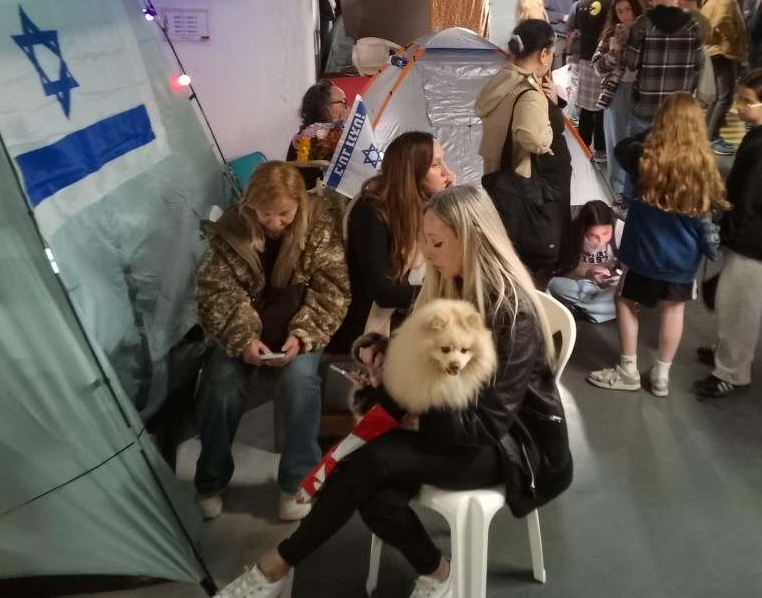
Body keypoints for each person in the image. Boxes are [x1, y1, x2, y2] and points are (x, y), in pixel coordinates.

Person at [214, 185, 573, 598]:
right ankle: (439, 572)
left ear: (473, 238)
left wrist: (413, 409)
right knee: (372, 491)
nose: (427, 253)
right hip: (458, 423)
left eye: (437, 242)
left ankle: (274, 568)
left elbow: (487, 425)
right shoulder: (450, 287)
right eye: (424, 239)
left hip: (515, 446)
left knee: (371, 462)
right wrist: (391, 366)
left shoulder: (512, 313)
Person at [194, 162, 350, 522]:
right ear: (250, 206)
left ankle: (297, 482)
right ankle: (210, 481)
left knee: (301, 383)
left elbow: (333, 287)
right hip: (241, 327)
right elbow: (216, 292)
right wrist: (243, 338)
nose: (275, 223)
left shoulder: (318, 226)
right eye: (266, 214)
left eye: (284, 214)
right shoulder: (231, 230)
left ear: (299, 204)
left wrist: (303, 334)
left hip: (298, 325)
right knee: (220, 388)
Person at [586, 92, 727, 398]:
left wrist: (653, 133)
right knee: (673, 311)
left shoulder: (645, 158)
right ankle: (661, 375)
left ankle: (628, 370)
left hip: (643, 255)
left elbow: (622, 147)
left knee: (625, 300)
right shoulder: (704, 167)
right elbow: (715, 212)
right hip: (683, 261)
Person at [694, 69, 762, 398]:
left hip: (753, 238)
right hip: (749, 234)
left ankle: (732, 372)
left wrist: (727, 229)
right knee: (730, 298)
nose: (739, 106)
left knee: (739, 306)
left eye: (747, 101)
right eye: (739, 98)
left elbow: (753, 198)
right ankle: (725, 352)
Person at [328, 132, 455, 353]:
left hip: (413, 313)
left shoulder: (429, 207)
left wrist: (450, 200)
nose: (447, 172)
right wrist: (446, 292)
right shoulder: (370, 210)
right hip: (373, 320)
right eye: (435, 165)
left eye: (443, 161)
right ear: (411, 171)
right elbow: (383, 293)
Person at [475, 19, 570, 277]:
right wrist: (548, 122)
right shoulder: (529, 92)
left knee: (505, 242)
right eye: (552, 53)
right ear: (544, 54)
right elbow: (535, 140)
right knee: (528, 250)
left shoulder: (501, 80)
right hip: (524, 183)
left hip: (499, 176)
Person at [621, 0, 704, 162]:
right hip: (677, 110)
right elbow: (698, 65)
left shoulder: (643, 23)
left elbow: (631, 64)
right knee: (671, 164)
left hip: (645, 107)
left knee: (638, 163)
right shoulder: (693, 26)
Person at [593, 0, 645, 200]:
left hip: (642, 92)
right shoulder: (610, 36)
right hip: (616, 92)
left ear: (636, 10)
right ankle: (620, 191)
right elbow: (597, 68)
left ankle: (637, 189)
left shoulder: (647, 33)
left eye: (628, 10)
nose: (625, 15)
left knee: (639, 140)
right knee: (616, 140)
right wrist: (614, 50)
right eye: (620, 11)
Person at [701, 0, 750, 156]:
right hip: (722, 54)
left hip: (714, 52)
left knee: (717, 97)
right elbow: (722, 21)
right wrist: (732, 41)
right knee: (725, 97)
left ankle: (706, 135)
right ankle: (712, 137)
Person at [548, 200, 623, 324]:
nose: (600, 241)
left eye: (605, 233)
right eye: (593, 235)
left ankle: (580, 310)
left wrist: (617, 280)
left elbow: (629, 270)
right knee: (553, 284)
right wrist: (588, 273)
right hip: (582, 284)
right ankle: (603, 310)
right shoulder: (572, 233)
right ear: (584, 230)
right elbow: (562, 271)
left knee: (626, 291)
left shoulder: (620, 230)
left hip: (610, 285)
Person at [570, 0, 614, 155]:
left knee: (586, 105)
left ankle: (583, 144)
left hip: (585, 55)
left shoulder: (582, 1)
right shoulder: (612, 2)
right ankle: (601, 147)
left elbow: (574, 27)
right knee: (603, 104)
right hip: (605, 58)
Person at [287, 81, 349, 187]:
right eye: (343, 101)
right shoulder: (309, 137)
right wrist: (345, 128)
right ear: (325, 107)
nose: (347, 107)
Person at [544, 0, 578, 68]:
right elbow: (543, 12)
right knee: (557, 71)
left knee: (568, 72)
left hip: (570, 37)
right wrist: (561, 17)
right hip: (556, 36)